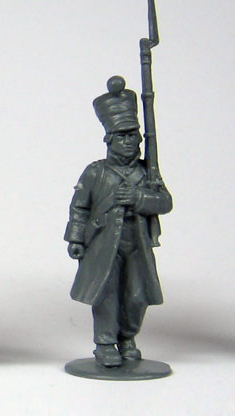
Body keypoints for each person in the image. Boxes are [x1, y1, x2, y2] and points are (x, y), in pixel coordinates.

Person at [65, 76, 172, 367]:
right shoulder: (95, 172)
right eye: (122, 136)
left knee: (137, 295)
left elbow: (165, 202)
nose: (129, 141)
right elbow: (79, 208)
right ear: (110, 139)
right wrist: (75, 239)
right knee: (106, 294)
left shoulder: (147, 173)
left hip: (138, 244)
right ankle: (104, 343)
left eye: (133, 135)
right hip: (103, 245)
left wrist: (139, 198)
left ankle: (127, 338)